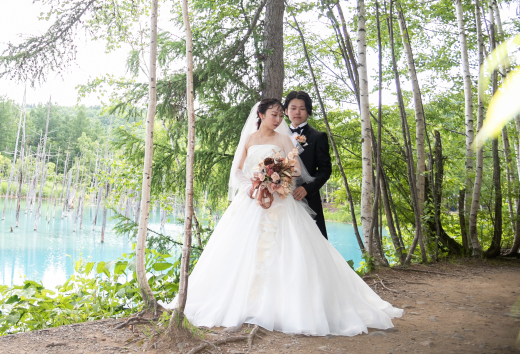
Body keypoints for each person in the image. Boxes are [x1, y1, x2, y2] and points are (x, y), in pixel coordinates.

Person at [163, 98, 402, 336]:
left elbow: (296, 169)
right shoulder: (249, 139)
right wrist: (253, 186)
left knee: (290, 250)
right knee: (240, 249)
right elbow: (237, 171)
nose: (279, 120)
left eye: (280, 115)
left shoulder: (284, 139)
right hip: (251, 201)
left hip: (281, 202)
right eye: (274, 115)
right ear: (261, 114)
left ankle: (282, 306)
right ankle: (243, 302)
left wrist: (278, 173)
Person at [284, 90, 332, 238]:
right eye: (293, 108)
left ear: (308, 112)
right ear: (286, 111)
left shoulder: (318, 137)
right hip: (282, 198)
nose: (297, 112)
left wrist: (307, 188)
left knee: (311, 242)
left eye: (302, 108)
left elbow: (325, 170)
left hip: (307, 198)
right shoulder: (278, 136)